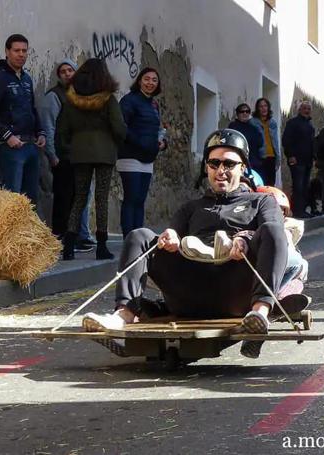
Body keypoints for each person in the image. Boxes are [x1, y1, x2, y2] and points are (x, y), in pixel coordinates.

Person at [84, 129, 289, 359]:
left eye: (229, 164)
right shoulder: (191, 208)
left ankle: (259, 315)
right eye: (214, 163)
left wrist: (244, 239)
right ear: (206, 168)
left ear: (243, 168)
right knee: (139, 236)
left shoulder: (261, 202)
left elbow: (274, 231)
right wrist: (169, 238)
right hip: (191, 291)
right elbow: (172, 234)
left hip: (235, 289)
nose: (221, 171)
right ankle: (123, 315)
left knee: (272, 230)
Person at [58, 58, 127, 261]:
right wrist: (116, 141)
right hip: (104, 153)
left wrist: (69, 149)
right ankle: (102, 246)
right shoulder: (108, 100)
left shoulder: (71, 100)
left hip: (79, 154)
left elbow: (62, 130)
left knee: (79, 197)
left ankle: (69, 246)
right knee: (101, 198)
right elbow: (119, 128)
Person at [0, 34, 45, 205]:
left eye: (24, 51)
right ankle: (11, 233)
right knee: (13, 200)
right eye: (16, 50)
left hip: (31, 145)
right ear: (7, 52)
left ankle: (28, 233)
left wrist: (41, 132)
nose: (21, 54)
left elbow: (32, 108)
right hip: (11, 147)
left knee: (31, 201)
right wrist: (8, 136)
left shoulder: (27, 79)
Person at [39, 59, 92, 253]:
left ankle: (77, 237)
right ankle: (61, 238)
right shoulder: (54, 96)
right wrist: (52, 155)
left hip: (81, 156)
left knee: (80, 199)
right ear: (58, 75)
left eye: (70, 70)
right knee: (64, 200)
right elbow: (48, 125)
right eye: (63, 71)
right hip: (63, 156)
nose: (68, 74)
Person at [117, 67, 167, 238]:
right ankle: (128, 237)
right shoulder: (129, 101)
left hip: (148, 158)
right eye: (147, 79)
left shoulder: (154, 104)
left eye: (154, 80)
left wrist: (162, 143)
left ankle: (137, 239)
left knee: (140, 201)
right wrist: (142, 143)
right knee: (131, 198)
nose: (150, 83)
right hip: (130, 156)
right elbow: (121, 127)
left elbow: (157, 129)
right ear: (139, 81)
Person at [282, 101, 316, 218]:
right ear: (299, 110)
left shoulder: (310, 125)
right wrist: (291, 156)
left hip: (307, 160)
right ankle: (297, 210)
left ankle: (302, 209)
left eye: (308, 108)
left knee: (305, 186)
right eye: (304, 108)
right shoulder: (293, 123)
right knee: (298, 186)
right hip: (297, 160)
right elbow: (286, 140)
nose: (307, 110)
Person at [250, 97, 281, 186]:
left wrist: (278, 158)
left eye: (265, 106)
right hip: (260, 157)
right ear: (257, 109)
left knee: (271, 184)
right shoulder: (253, 123)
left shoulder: (272, 122)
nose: (263, 108)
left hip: (272, 156)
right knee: (261, 183)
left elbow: (275, 141)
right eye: (261, 106)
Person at [228, 103, 264, 174]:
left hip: (253, 163)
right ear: (237, 114)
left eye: (247, 111)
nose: (245, 113)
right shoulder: (233, 127)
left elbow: (260, 143)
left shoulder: (254, 128)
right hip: (238, 161)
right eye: (242, 111)